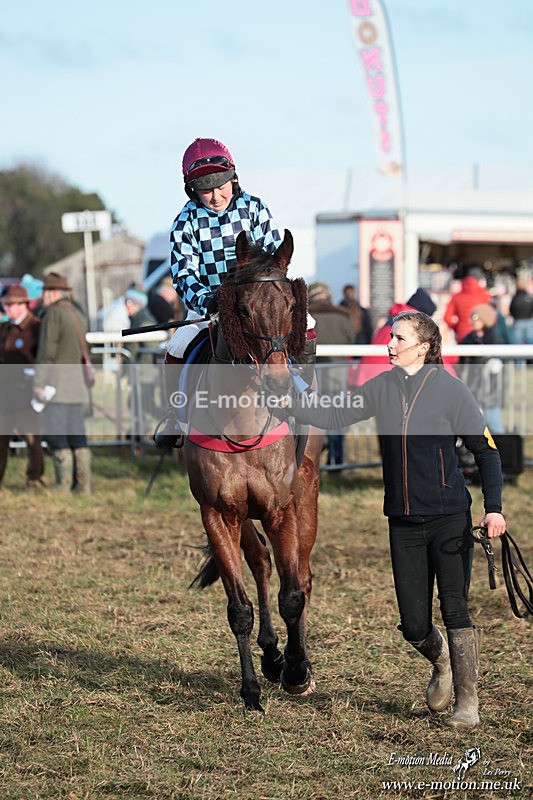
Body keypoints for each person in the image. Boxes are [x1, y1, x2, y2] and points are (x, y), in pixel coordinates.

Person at [280, 310, 506, 729]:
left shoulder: (452, 391)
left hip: (449, 519)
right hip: (402, 521)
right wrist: (288, 401)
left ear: (423, 347)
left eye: (399, 338)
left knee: (455, 609)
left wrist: (493, 508)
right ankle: (442, 661)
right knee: (414, 625)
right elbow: (333, 415)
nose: (390, 344)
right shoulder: (380, 387)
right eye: (391, 337)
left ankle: (467, 703)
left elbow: (487, 452)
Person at [155, 136, 315, 447]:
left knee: (307, 324)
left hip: (257, 303)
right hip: (210, 304)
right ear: (192, 190)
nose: (216, 196)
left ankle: (304, 394)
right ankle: (176, 417)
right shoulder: (185, 221)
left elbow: (275, 257)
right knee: (177, 345)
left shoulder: (254, 207)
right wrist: (208, 301)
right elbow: (184, 274)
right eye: (206, 190)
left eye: (221, 186)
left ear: (233, 178)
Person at [35, 272, 92, 494]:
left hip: (56, 385)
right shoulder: (77, 312)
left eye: (46, 291)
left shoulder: (53, 314)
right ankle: (83, 486)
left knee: (56, 434)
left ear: (54, 293)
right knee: (77, 435)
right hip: (77, 384)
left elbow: (47, 352)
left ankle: (63, 486)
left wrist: (39, 382)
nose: (43, 296)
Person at [0, 284, 45, 489]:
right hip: (5, 393)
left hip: (26, 392)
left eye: (10, 304)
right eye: (5, 304)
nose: (6, 308)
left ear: (23, 305)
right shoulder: (4, 329)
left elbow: (43, 357)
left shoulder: (36, 327)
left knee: (32, 439)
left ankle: (34, 478)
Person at [308, 282, 357, 469]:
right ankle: (338, 460)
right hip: (339, 372)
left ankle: (316, 461)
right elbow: (351, 339)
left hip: (314, 372)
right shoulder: (343, 314)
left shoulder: (307, 316)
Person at [460, 303, 505, 434]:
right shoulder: (469, 338)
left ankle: (501, 444)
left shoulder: (493, 338)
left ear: (485, 320)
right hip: (473, 387)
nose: (471, 321)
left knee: (493, 422)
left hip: (490, 390)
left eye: (475, 318)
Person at [124, 287, 158, 426]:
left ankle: (169, 423)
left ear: (137, 304)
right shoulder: (136, 320)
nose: (126, 305)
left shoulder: (144, 321)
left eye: (129, 302)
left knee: (143, 403)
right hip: (140, 372)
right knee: (136, 403)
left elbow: (151, 349)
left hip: (145, 373)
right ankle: (139, 429)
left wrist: (140, 370)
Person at [444, 266, 492, 343]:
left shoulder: (456, 296)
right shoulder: (485, 296)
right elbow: (491, 318)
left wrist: (457, 328)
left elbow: (447, 318)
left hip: (462, 334)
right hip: (479, 335)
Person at [509, 275, 533, 345]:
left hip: (518, 321)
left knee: (517, 343)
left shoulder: (515, 297)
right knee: (530, 342)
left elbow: (511, 309)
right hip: (527, 320)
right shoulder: (528, 297)